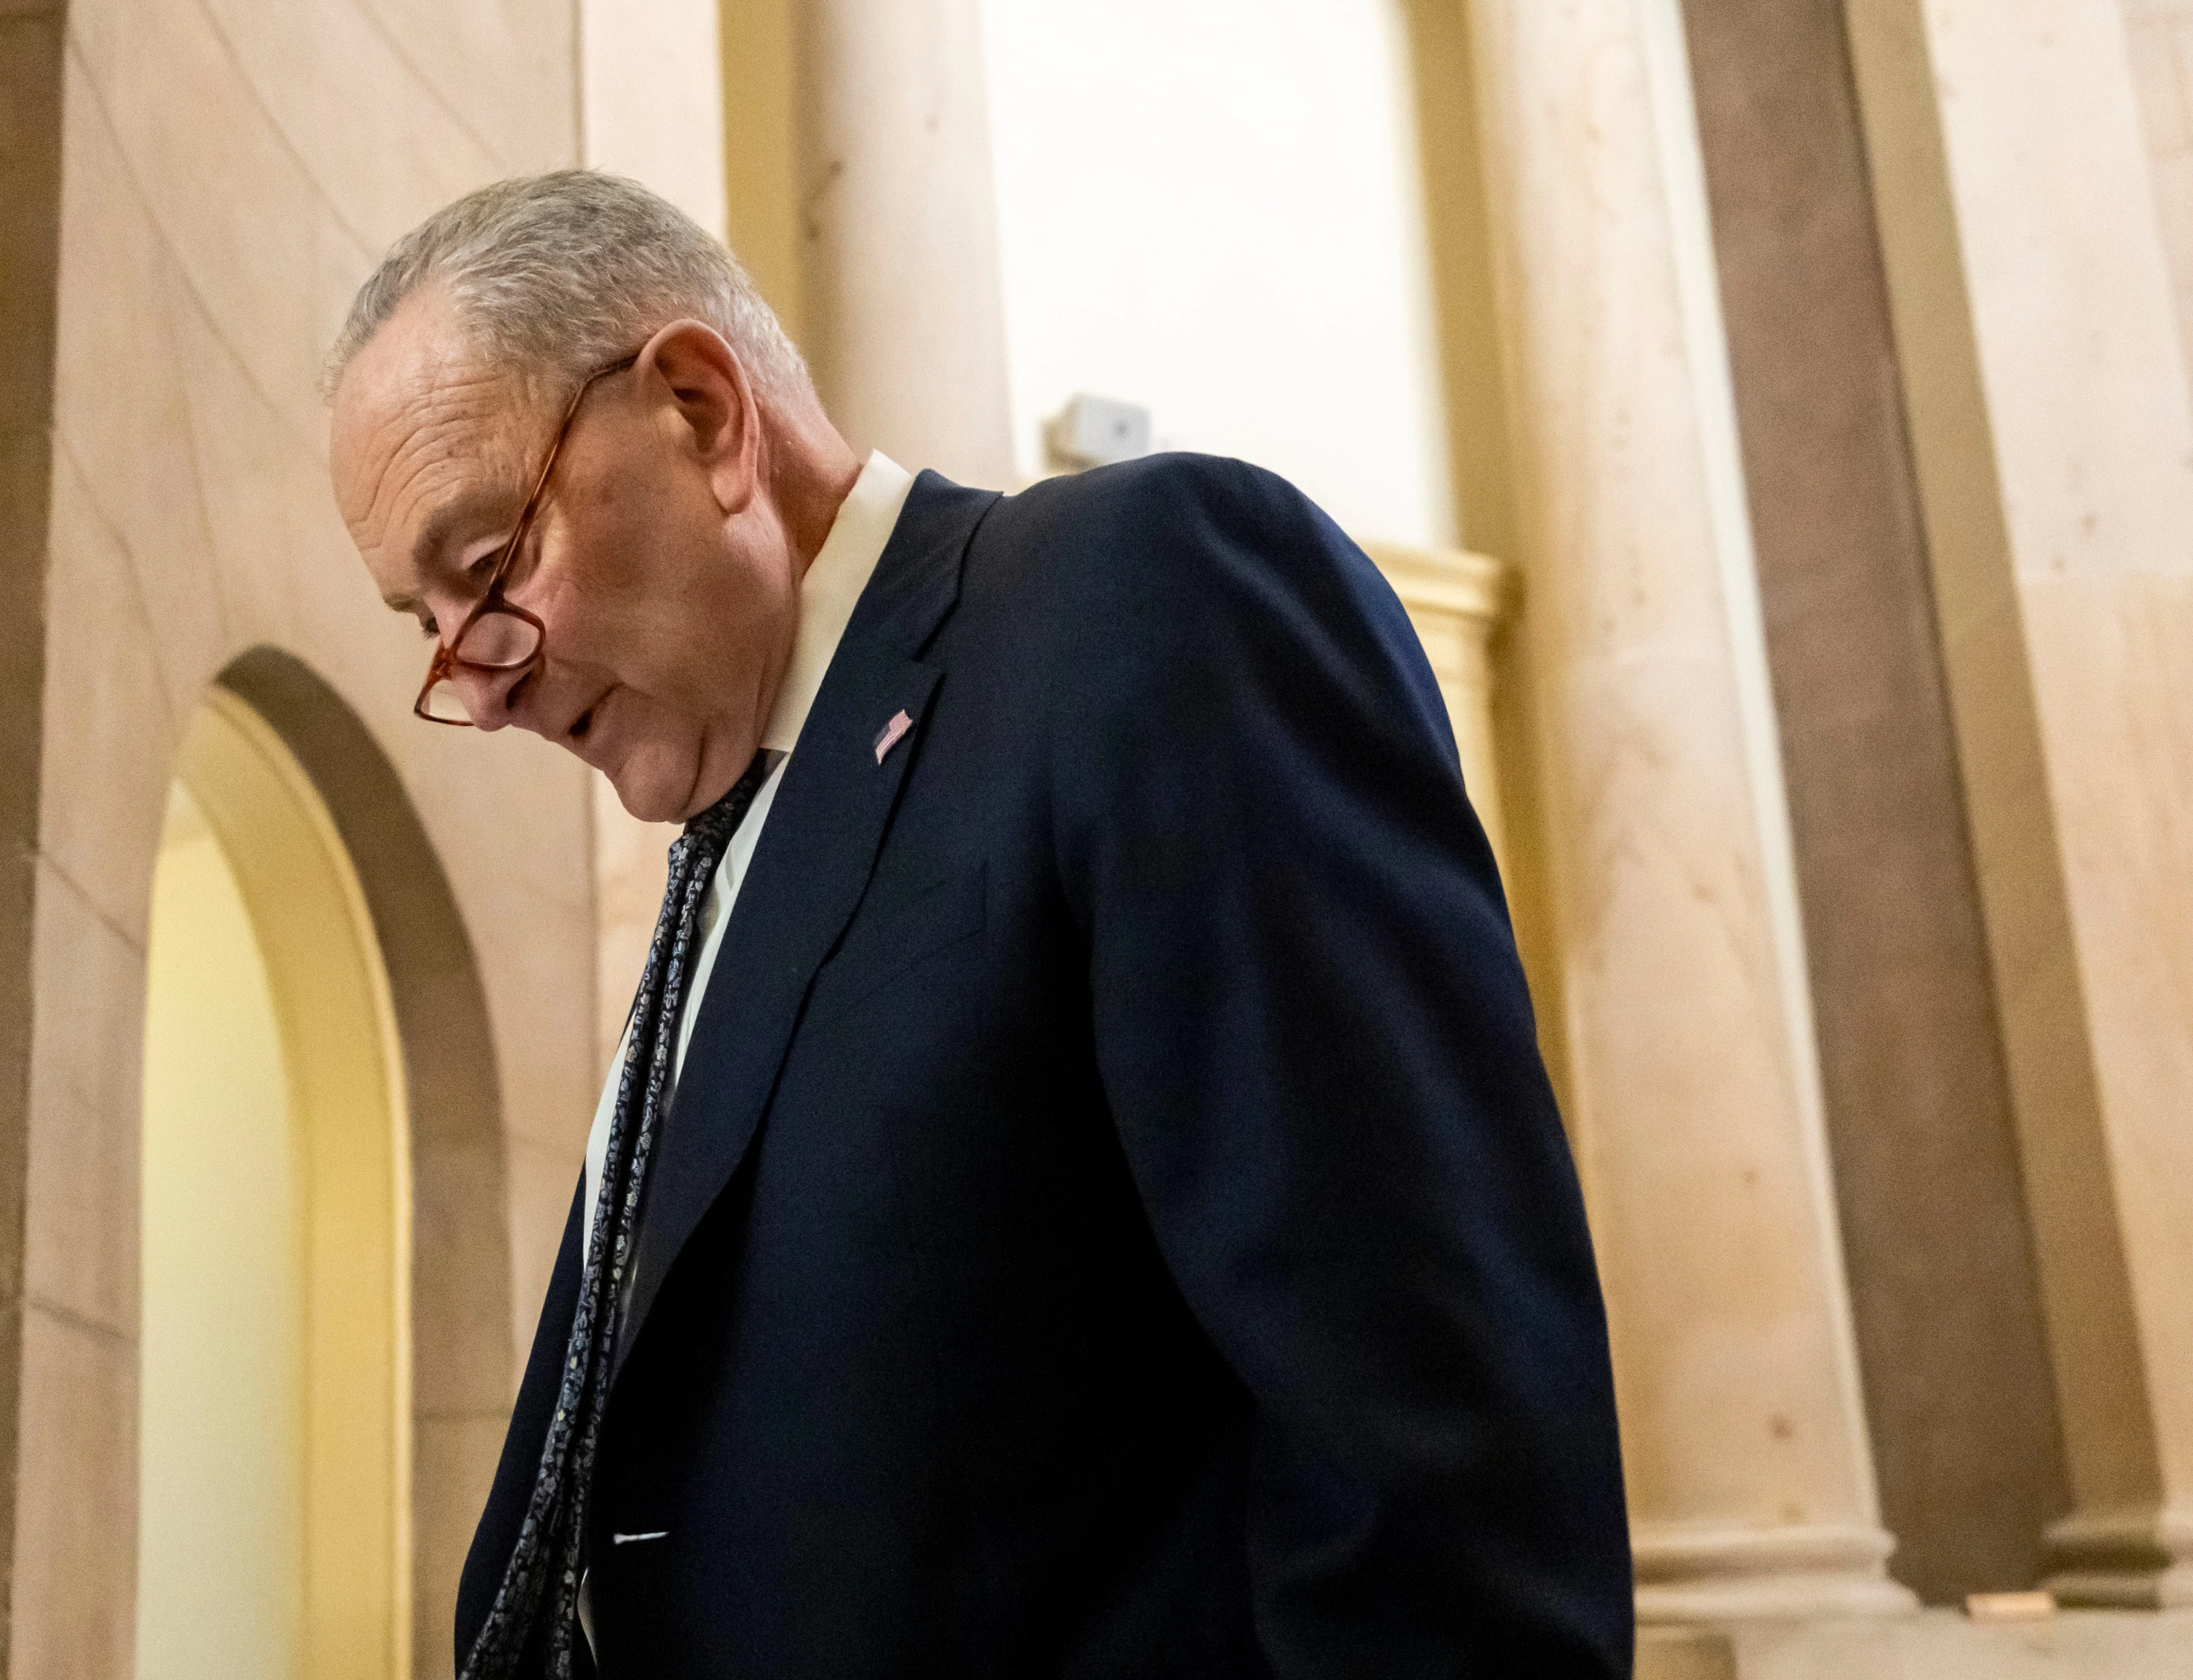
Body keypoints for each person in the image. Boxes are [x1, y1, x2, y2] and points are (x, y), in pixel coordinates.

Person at [323, 170, 1630, 1679]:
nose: (475, 686)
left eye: (486, 572)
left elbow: (1438, 1464)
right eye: (425, 630)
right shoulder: (731, 843)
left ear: (700, 410)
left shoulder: (1137, 596)